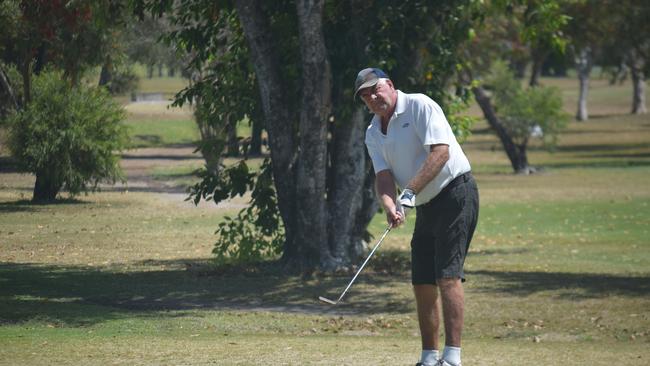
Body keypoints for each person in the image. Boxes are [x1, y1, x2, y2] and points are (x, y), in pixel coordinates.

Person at [355, 68, 479, 366]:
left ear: (390, 85)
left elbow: (440, 153)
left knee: (447, 275)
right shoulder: (373, 132)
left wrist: (408, 191)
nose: (373, 97)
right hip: (424, 203)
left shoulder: (420, 105)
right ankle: (428, 357)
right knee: (422, 280)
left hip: (455, 193)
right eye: (365, 95)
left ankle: (452, 358)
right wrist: (389, 204)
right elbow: (383, 177)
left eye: (376, 89)